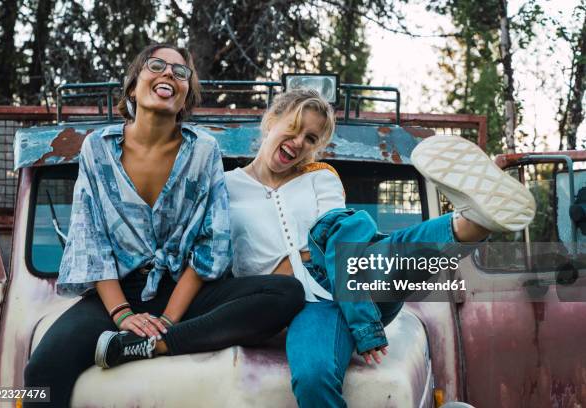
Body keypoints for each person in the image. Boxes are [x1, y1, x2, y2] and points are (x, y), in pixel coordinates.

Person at [23, 44, 305, 407]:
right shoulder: (98, 149)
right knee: (41, 372)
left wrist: (166, 323)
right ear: (132, 87)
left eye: (181, 71)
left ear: (186, 96)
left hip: (186, 291)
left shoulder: (203, 150)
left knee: (286, 294)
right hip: (117, 293)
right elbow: (91, 241)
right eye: (157, 65)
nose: (169, 73)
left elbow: (211, 244)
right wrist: (123, 314)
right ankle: (143, 336)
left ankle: (151, 347)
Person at [224, 88, 535, 407]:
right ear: (271, 119)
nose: (300, 141)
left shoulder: (320, 179)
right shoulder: (224, 187)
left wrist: (364, 325)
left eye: (311, 138)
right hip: (276, 303)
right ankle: (471, 220)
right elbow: (213, 258)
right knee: (314, 375)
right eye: (294, 128)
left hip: (337, 288)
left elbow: (340, 243)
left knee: (388, 254)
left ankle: (471, 221)